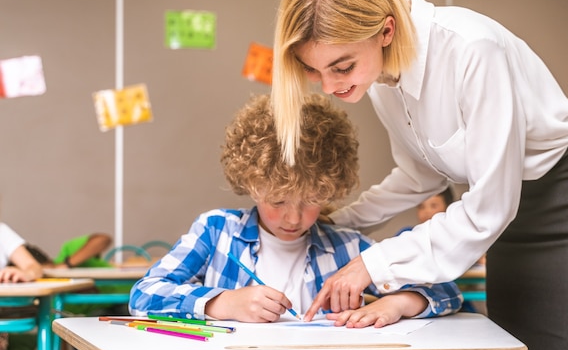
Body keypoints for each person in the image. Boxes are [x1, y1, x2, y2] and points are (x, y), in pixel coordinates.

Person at [270, 0, 568, 350]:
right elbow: (420, 176)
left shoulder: (472, 49)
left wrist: (373, 264)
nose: (330, 87)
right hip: (510, 225)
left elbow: (490, 206)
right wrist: (337, 221)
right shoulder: (381, 78)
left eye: (342, 67)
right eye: (314, 72)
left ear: (386, 31)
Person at [129, 94, 463, 327]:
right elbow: (144, 295)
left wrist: (397, 304)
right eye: (277, 201)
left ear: (330, 190)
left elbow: (446, 291)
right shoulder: (216, 231)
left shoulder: (347, 248)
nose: (293, 218)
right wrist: (222, 303)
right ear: (252, 184)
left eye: (310, 202)